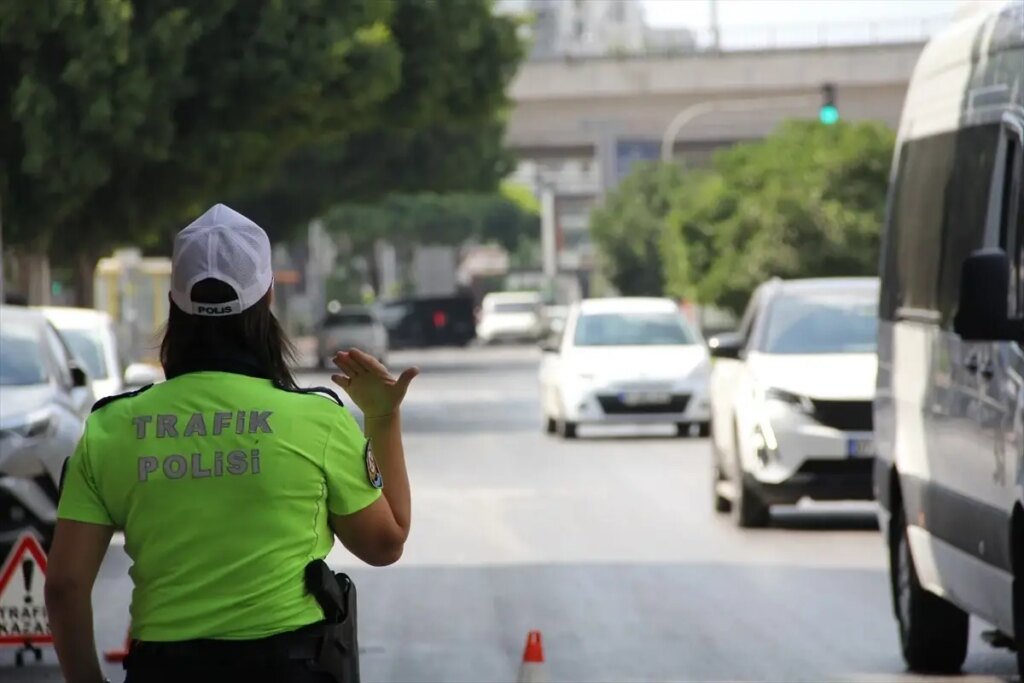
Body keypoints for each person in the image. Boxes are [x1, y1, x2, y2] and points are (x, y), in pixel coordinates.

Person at [44, 204, 417, 683]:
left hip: (165, 670)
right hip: (291, 668)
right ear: (266, 299)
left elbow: (65, 587)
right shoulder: (317, 419)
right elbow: (385, 543)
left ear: (175, 307)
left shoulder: (110, 429)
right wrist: (382, 417)